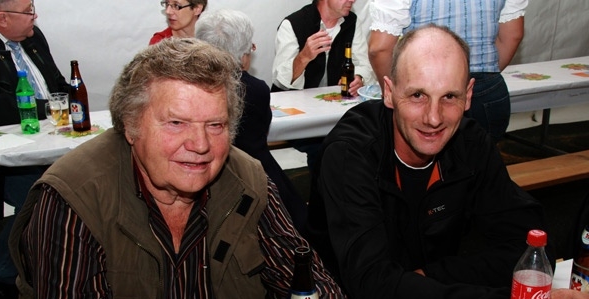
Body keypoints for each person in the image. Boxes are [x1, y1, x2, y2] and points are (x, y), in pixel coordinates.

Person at [0, 38, 377, 299]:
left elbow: (305, 279)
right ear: (130, 125)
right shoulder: (71, 197)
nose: (201, 145)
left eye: (216, 125)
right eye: (176, 123)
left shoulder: (246, 180)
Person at [306, 24, 589, 299]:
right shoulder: (350, 154)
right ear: (389, 92)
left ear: (468, 96)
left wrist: (430, 276)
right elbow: (375, 290)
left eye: (449, 96)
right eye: (418, 95)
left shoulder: (470, 143)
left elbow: (531, 249)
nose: (433, 118)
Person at [0, 0, 70, 299]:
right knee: (44, 198)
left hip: (54, 141)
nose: (35, 16)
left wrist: (70, 101)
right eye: (28, 10)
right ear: (2, 18)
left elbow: (58, 83)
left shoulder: (32, 37)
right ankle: (0, 270)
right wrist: (48, 108)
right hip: (6, 159)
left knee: (82, 184)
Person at [195, 9, 308, 234]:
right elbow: (262, 131)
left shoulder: (191, 88)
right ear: (243, 53)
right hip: (255, 176)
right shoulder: (256, 89)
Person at [367, 0, 527, 142]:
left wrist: (395, 93)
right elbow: (513, 35)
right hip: (487, 89)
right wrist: (485, 70)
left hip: (423, 91)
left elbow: (380, 49)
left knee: (427, 162)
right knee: (482, 161)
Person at [271, 0, 374, 173]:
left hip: (334, 113)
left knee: (361, 139)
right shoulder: (293, 24)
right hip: (298, 116)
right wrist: (304, 57)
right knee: (325, 148)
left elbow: (363, 63)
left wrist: (359, 77)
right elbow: (281, 80)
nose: (353, 0)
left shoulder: (351, 22)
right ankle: (323, 189)